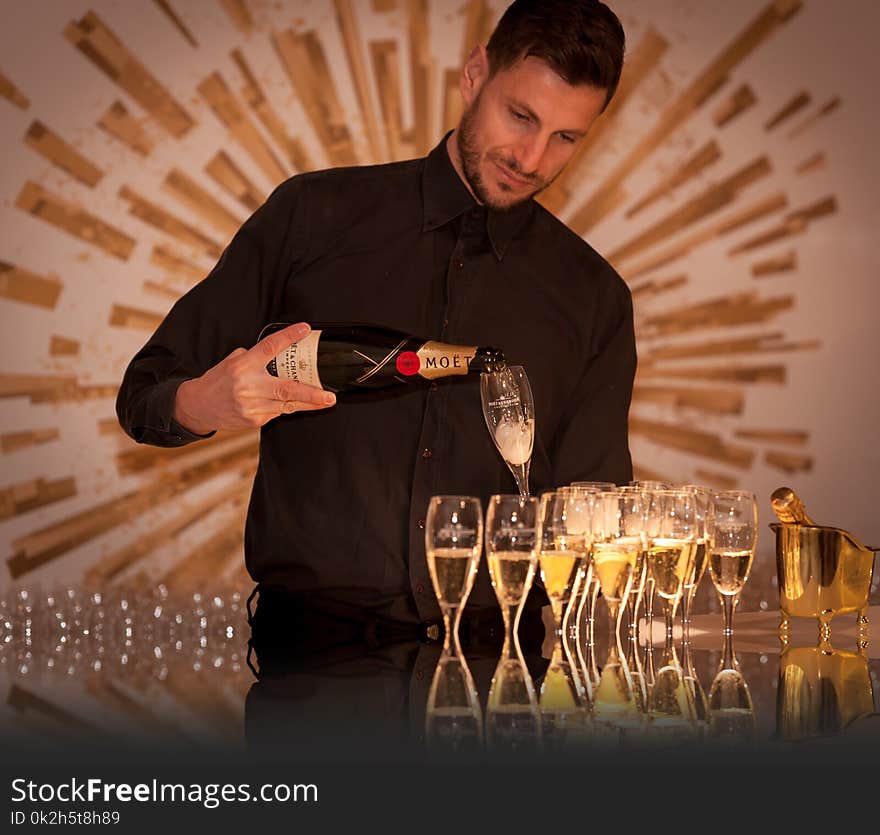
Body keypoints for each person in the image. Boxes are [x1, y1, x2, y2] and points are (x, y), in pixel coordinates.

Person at [116, 0, 634, 659]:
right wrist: (210, 401)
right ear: (475, 73)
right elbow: (144, 393)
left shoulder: (595, 298)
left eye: (566, 138)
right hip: (308, 677)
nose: (532, 158)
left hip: (501, 687)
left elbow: (594, 513)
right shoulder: (312, 218)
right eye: (521, 116)